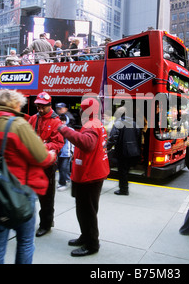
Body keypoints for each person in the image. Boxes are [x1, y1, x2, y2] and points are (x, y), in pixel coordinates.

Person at [0, 89, 57, 264]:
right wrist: (51, 155)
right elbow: (41, 156)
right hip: (18, 192)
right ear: (14, 104)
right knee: (25, 242)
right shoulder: (17, 124)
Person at [57, 97, 109, 257]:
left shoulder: (91, 124)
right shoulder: (96, 123)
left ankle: (92, 244)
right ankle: (85, 235)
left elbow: (87, 143)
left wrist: (64, 129)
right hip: (92, 173)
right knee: (85, 210)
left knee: (87, 211)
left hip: (89, 175)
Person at [28, 92, 64, 237]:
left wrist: (43, 146)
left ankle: (46, 224)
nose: (40, 109)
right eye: (38, 106)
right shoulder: (33, 119)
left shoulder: (57, 122)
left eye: (43, 106)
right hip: (33, 163)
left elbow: (59, 143)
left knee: (46, 197)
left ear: (49, 105)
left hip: (48, 165)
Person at [106, 107, 142, 195]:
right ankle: (124, 187)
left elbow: (113, 137)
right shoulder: (134, 123)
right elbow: (138, 137)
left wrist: (107, 148)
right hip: (133, 151)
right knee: (126, 170)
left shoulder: (118, 123)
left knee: (122, 171)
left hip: (122, 151)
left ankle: (124, 190)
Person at [57, 113, 73, 192]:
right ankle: (67, 179)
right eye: (61, 120)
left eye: (64, 120)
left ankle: (62, 183)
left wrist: (73, 151)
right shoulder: (56, 129)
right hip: (59, 152)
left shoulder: (69, 130)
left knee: (63, 168)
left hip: (66, 153)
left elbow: (73, 142)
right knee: (62, 168)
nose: (62, 122)